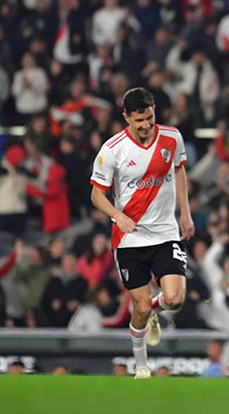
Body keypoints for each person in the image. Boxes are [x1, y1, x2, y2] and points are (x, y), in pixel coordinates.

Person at [90, 87, 195, 379]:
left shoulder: (172, 137)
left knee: (174, 299)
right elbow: (97, 195)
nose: (146, 125)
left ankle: (154, 314)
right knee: (141, 306)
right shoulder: (113, 149)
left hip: (165, 233)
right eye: (139, 120)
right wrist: (117, 215)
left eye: (150, 117)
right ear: (126, 117)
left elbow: (179, 170)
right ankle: (141, 366)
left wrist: (184, 213)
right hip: (128, 239)